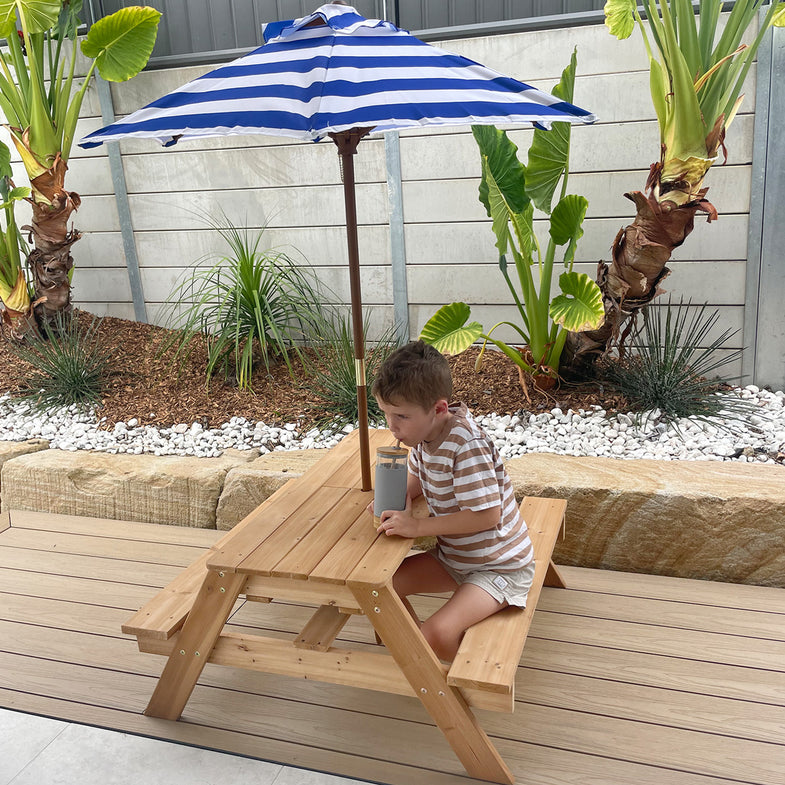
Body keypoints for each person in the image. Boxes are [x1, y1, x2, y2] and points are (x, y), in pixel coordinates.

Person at [371, 340, 535, 661]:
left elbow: (486, 516)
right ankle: (419, 656)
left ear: (439, 408)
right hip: (456, 558)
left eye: (401, 416)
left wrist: (416, 526)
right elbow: (417, 478)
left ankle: (454, 685)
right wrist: (395, 496)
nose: (392, 426)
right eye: (387, 414)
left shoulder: (466, 446)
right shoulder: (424, 435)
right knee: (381, 588)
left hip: (498, 567)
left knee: (437, 633)